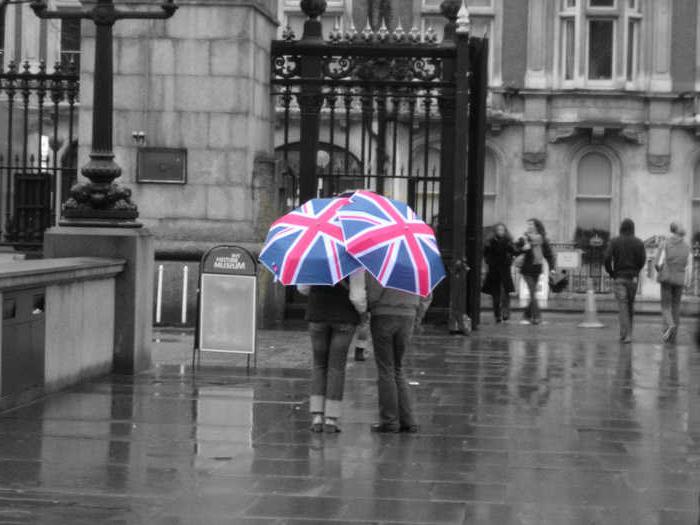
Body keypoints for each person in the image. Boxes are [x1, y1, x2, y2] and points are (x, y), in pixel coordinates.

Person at [298, 272, 366, 433]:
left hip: (317, 314)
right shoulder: (354, 258)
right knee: (336, 368)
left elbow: (303, 289)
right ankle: (331, 419)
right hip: (344, 316)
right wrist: (363, 312)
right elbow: (357, 296)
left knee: (319, 365)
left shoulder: (313, 254)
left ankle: (317, 417)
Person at [366, 273, 431, 433]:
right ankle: (408, 420)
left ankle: (389, 420)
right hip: (408, 315)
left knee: (386, 369)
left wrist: (367, 308)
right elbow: (426, 295)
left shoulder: (381, 261)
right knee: (398, 367)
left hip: (383, 314)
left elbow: (374, 293)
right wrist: (418, 316)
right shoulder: (416, 262)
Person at [604, 218, 646, 344]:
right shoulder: (638, 242)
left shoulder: (614, 241)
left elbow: (607, 258)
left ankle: (625, 334)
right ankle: (628, 333)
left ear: (621, 228)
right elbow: (642, 260)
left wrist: (611, 272)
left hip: (619, 277)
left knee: (622, 306)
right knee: (630, 306)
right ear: (633, 228)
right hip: (632, 278)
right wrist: (636, 270)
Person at [654, 222, 693, 344]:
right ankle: (672, 336)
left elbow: (658, 263)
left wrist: (660, 271)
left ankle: (670, 326)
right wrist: (688, 282)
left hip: (667, 278)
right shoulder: (687, 247)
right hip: (679, 280)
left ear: (672, 231)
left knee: (665, 306)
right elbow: (689, 267)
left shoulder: (665, 244)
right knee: (676, 307)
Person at [516, 218, 556, 325]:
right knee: (533, 293)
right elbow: (516, 250)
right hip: (526, 270)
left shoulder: (542, 239)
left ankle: (526, 315)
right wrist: (523, 248)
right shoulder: (524, 238)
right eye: (528, 224)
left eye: (531, 224)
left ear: (536, 226)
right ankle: (537, 317)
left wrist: (552, 268)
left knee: (533, 294)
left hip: (537, 270)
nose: (529, 226)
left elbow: (548, 254)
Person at [482, 223, 516, 323]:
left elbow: (514, 252)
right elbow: (486, 255)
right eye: (499, 230)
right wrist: (489, 262)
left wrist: (510, 259)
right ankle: (497, 314)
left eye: (502, 230)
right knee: (495, 295)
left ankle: (505, 313)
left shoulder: (508, 242)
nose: (500, 231)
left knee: (506, 293)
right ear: (495, 231)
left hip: (505, 270)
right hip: (494, 271)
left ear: (505, 231)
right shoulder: (490, 242)